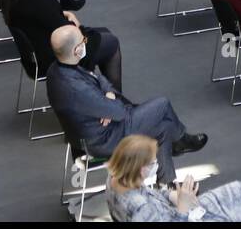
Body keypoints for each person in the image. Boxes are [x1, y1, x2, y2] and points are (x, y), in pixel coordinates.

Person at [46, 24, 206, 185]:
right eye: (83, 41)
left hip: (91, 130)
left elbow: (97, 78)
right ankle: (180, 139)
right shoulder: (75, 88)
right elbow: (120, 112)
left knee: (163, 127)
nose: (86, 43)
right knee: (162, 105)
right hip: (103, 139)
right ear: (76, 50)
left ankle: (167, 183)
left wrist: (108, 95)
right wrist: (109, 104)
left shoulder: (57, 69)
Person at [1, 0, 121, 84]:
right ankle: (114, 99)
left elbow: (41, 19)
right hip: (57, 54)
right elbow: (64, 30)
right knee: (112, 42)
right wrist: (75, 22)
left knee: (104, 34)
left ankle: (103, 93)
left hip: (36, 52)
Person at [106, 135, 241, 222]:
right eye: (154, 162)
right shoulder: (141, 209)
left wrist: (171, 195)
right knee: (238, 199)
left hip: (170, 212)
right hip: (178, 216)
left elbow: (148, 193)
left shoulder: (117, 178)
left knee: (236, 193)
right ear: (142, 170)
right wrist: (183, 207)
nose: (157, 165)